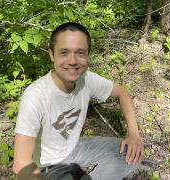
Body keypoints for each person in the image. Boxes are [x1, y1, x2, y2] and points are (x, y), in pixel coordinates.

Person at [12, 22, 144, 180]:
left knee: (132, 152)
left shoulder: (86, 79)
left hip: (75, 147)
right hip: (48, 166)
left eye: (80, 53)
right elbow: (21, 164)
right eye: (64, 53)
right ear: (51, 54)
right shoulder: (36, 95)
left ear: (88, 55)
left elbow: (122, 92)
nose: (72, 61)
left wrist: (134, 134)